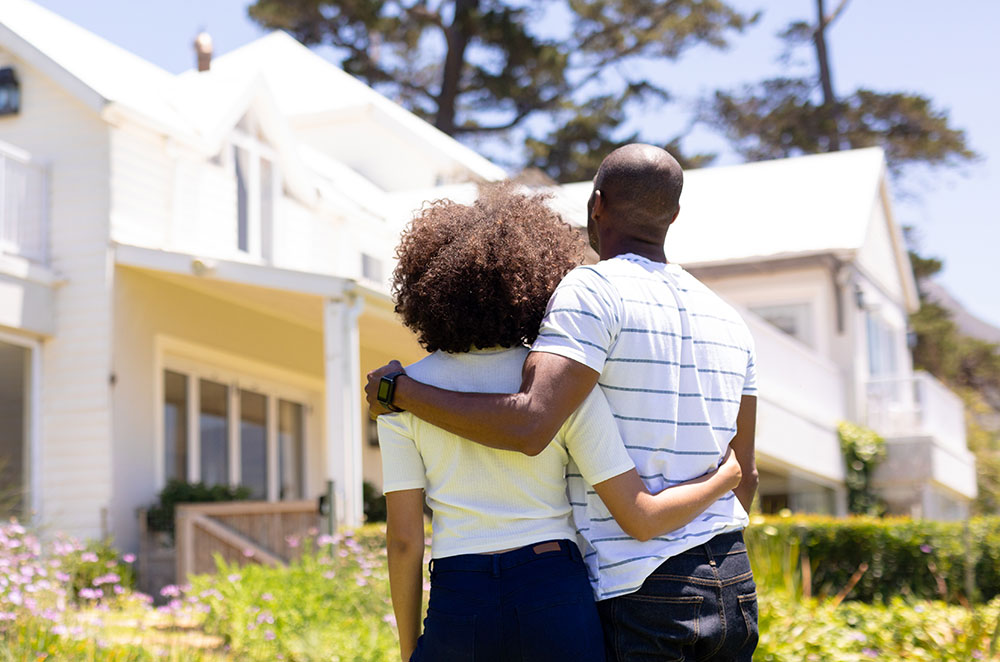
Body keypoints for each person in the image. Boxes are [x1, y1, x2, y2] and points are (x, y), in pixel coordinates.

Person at [368, 145, 760, 661]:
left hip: (626, 586)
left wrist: (403, 392)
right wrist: (723, 482)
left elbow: (529, 425)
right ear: (675, 214)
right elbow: (745, 474)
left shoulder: (592, 293)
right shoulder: (729, 320)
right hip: (725, 580)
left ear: (596, 204)